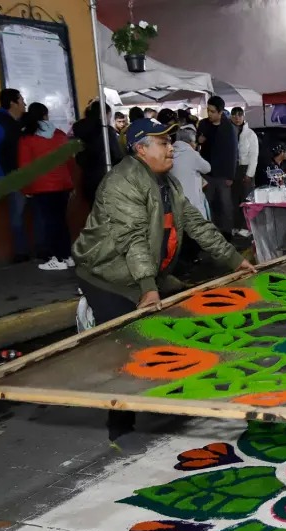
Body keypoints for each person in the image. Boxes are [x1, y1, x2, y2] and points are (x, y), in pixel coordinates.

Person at [71, 118, 254, 439]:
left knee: (182, 321)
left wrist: (234, 260)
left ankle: (166, 398)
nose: (172, 148)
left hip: (145, 271)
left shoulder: (166, 183)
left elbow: (197, 225)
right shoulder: (122, 182)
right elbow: (132, 238)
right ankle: (121, 427)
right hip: (107, 273)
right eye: (163, 143)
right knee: (127, 345)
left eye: (170, 142)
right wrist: (148, 288)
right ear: (141, 149)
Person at [17, 102, 74, 271]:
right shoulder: (59, 134)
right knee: (62, 221)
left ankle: (56, 258)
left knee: (49, 223)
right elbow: (69, 161)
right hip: (63, 185)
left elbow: (26, 167)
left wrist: (26, 190)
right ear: (45, 115)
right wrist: (71, 184)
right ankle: (67, 256)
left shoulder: (27, 138)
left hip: (42, 187)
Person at [0, 88, 28, 261]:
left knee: (41, 213)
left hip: (33, 175)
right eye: (21, 100)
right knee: (17, 215)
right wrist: (2, 180)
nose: (24, 103)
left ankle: (43, 249)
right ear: (13, 103)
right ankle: (21, 252)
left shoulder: (24, 122)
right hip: (13, 178)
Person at [197, 96, 239, 235]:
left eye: (212, 111)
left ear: (220, 112)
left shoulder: (229, 128)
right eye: (208, 110)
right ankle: (211, 234)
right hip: (206, 173)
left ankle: (227, 233)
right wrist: (199, 141)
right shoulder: (203, 124)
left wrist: (230, 176)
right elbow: (197, 145)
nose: (209, 114)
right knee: (208, 204)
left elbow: (233, 153)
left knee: (225, 205)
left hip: (223, 174)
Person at [71, 100, 122, 205]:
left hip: (86, 179)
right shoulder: (106, 131)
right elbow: (117, 156)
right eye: (109, 116)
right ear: (104, 114)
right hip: (106, 177)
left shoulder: (78, 130)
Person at [171, 125, 211, 220]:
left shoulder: (171, 151)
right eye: (194, 142)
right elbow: (207, 168)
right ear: (190, 142)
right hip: (193, 200)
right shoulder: (191, 154)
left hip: (176, 200)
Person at [231, 107, 259, 236]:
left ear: (243, 117)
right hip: (233, 169)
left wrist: (249, 174)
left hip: (245, 168)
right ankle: (236, 226)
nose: (237, 117)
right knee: (234, 199)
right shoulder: (229, 132)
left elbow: (254, 156)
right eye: (234, 115)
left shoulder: (250, 134)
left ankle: (247, 227)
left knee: (246, 199)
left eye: (239, 115)